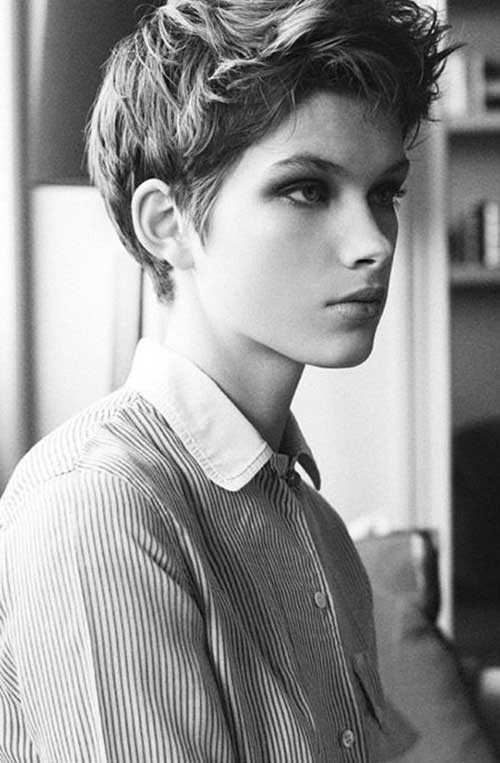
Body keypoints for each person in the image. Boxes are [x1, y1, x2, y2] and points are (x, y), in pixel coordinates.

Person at [0, 1, 456, 760]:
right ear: (167, 223)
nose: (375, 243)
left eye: (384, 192)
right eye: (307, 189)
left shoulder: (318, 528)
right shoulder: (101, 505)